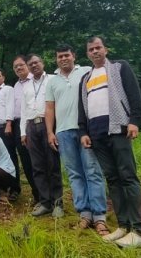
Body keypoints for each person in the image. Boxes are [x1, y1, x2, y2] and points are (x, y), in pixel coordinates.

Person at [78, 36, 141, 248]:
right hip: (96, 134)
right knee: (112, 179)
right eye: (91, 49)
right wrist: (83, 131)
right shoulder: (86, 77)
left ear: (105, 49)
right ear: (87, 54)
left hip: (118, 129)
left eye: (98, 47)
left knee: (128, 177)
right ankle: (123, 226)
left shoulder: (119, 67)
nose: (95, 52)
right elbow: (83, 107)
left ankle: (138, 231)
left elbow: (134, 95)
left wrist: (134, 120)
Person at [46, 44, 109, 233]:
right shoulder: (53, 81)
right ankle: (84, 213)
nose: (63, 59)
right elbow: (49, 108)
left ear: (73, 56)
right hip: (63, 132)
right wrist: (50, 132)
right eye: (59, 56)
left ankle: (99, 216)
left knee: (92, 171)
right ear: (56, 59)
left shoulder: (87, 72)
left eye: (66, 55)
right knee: (74, 174)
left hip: (86, 130)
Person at [20, 54, 63, 218]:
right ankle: (45, 202)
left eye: (36, 62)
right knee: (37, 166)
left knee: (52, 164)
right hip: (31, 125)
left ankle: (58, 202)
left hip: (48, 123)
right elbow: (23, 110)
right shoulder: (26, 86)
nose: (34, 66)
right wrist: (23, 132)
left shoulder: (53, 79)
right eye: (30, 64)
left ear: (43, 63)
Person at [0, 68, 20, 201]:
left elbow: (10, 106)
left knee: (10, 158)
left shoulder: (8, 89)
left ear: (3, 77)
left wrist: (8, 124)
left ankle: (15, 188)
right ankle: (2, 187)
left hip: (4, 128)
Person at [11, 55, 40, 205]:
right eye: (15, 67)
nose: (19, 68)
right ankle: (37, 195)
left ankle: (47, 195)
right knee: (26, 161)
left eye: (21, 65)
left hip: (34, 123)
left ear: (27, 65)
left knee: (38, 160)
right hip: (18, 125)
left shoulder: (35, 80)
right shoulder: (16, 85)